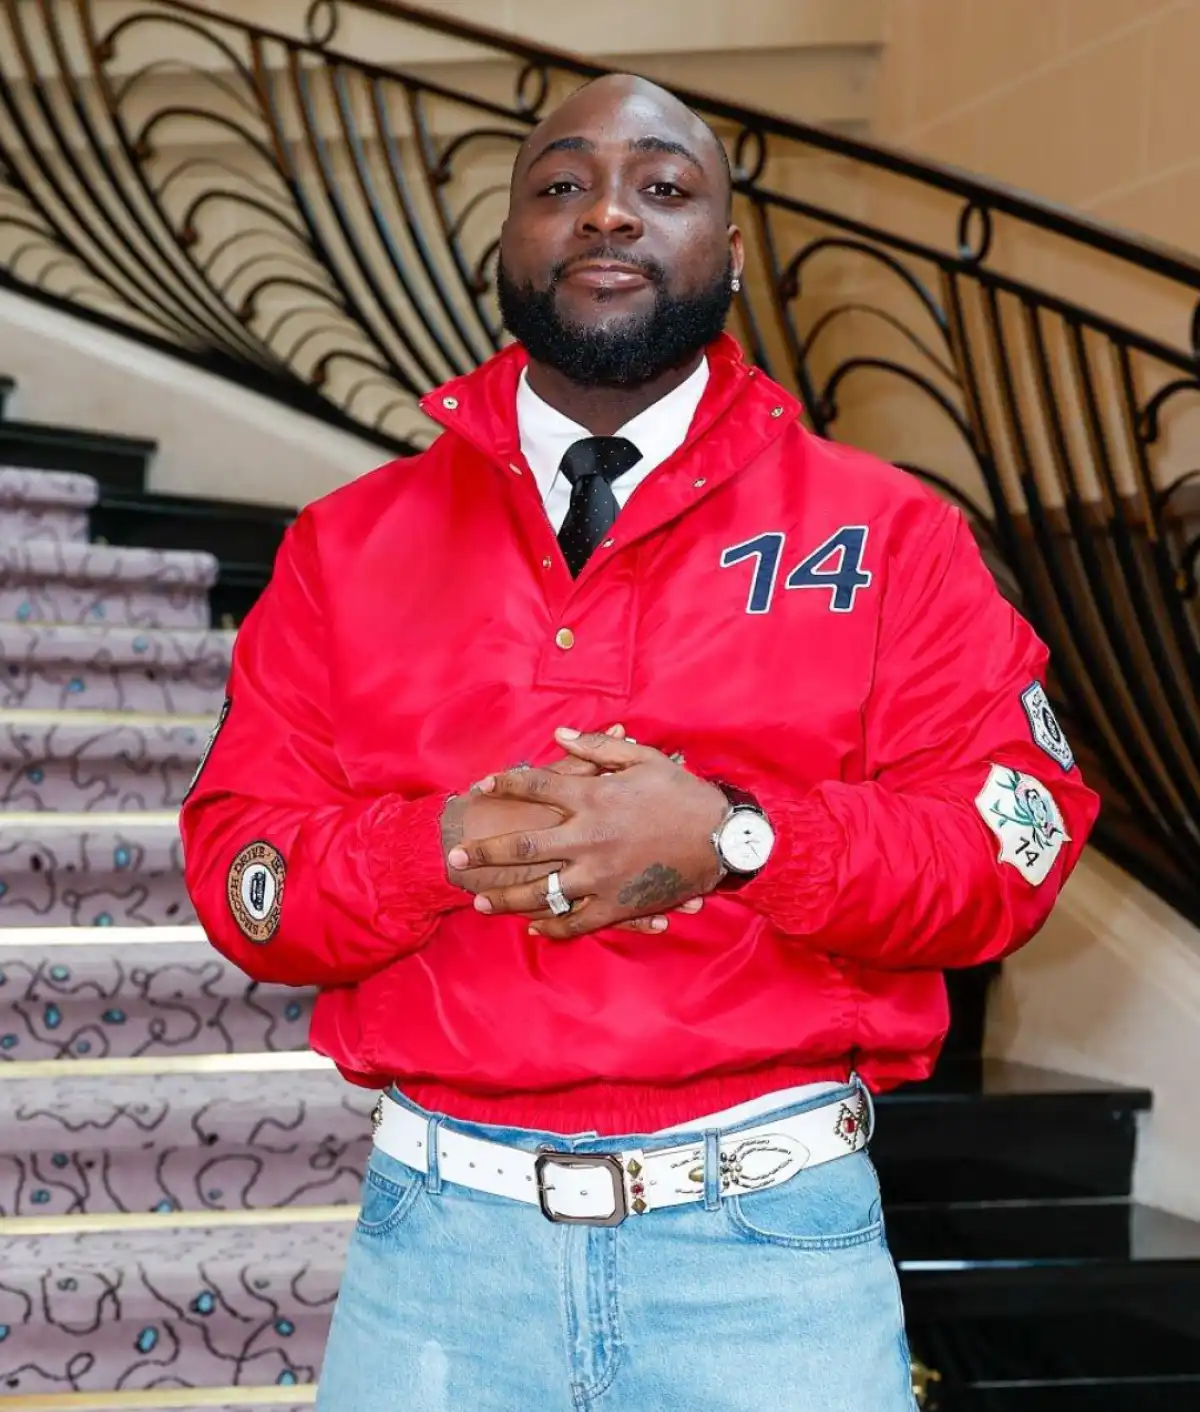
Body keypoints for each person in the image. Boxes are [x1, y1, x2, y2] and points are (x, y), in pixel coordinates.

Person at [181, 73, 1098, 1411]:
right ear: (508, 240)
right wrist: (436, 849)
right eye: (561, 185)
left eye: (662, 187)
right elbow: (242, 875)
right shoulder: (345, 544)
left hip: (772, 1262)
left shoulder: (894, 534)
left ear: (732, 251)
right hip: (436, 1265)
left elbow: (1004, 853)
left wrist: (742, 837)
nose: (607, 213)